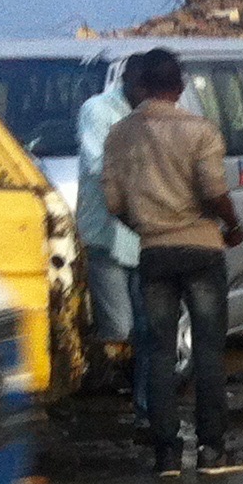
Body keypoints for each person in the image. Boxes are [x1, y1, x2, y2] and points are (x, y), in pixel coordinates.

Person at [104, 47, 243, 476]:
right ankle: (211, 451)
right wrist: (232, 224)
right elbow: (213, 189)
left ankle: (166, 454)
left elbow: (112, 202)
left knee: (160, 352)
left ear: (141, 85)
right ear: (180, 86)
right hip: (202, 249)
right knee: (208, 351)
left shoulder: (119, 135)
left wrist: (145, 225)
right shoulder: (200, 130)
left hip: (153, 253)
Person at [72, 62, 148, 414]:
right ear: (129, 82)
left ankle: (142, 401)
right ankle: (103, 383)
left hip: (144, 236)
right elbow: (96, 164)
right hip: (107, 233)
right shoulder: (98, 110)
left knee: (146, 325)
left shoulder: (156, 112)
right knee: (119, 325)